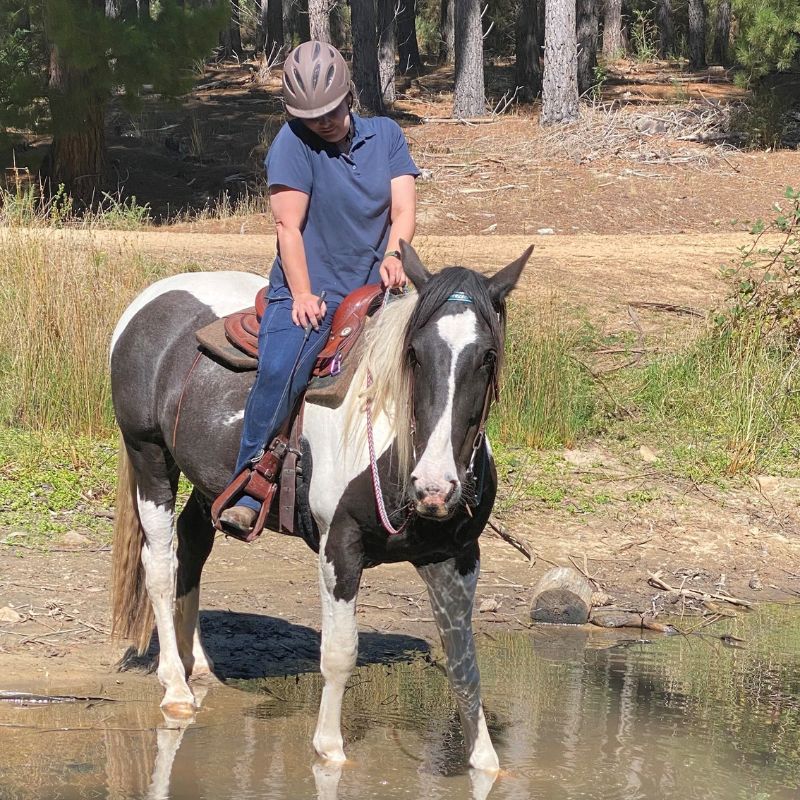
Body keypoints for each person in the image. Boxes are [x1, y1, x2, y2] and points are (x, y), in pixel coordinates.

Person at [219, 40, 420, 535]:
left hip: (379, 285)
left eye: (329, 111)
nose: (323, 122)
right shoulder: (292, 144)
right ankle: (253, 479)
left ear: (348, 96)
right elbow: (289, 228)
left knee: (440, 353)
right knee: (282, 368)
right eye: (311, 116)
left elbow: (403, 211)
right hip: (312, 287)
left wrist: (395, 255)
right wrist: (304, 294)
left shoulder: (388, 135)